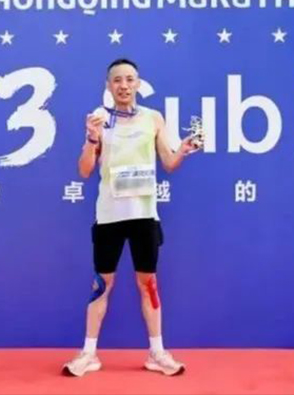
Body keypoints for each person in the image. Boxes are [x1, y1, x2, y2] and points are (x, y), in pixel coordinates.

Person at [62, 58, 199, 377]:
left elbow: (168, 162)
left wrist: (183, 149)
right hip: (109, 215)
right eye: (117, 80)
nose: (124, 85)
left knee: (148, 283)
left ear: (138, 83)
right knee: (101, 285)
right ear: (108, 86)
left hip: (144, 216)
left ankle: (157, 353)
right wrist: (91, 139)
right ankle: (88, 354)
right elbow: (84, 170)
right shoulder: (99, 119)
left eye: (129, 79)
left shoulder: (153, 118)